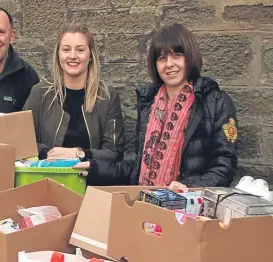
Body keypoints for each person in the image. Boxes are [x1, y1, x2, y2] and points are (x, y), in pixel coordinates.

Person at [75, 24, 238, 188]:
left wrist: (188, 187)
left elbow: (224, 166)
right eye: (162, 58)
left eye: (177, 55)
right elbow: (137, 169)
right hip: (148, 202)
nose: (169, 64)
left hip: (192, 206)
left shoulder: (216, 102)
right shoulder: (149, 104)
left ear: (190, 57)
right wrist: (95, 168)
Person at [23, 23, 125, 165]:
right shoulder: (40, 93)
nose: (72, 56)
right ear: (58, 55)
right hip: (47, 177)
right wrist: (48, 153)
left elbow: (114, 152)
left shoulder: (107, 97)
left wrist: (79, 153)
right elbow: (23, 140)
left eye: (80, 50)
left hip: (91, 181)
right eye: (66, 49)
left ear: (90, 56)